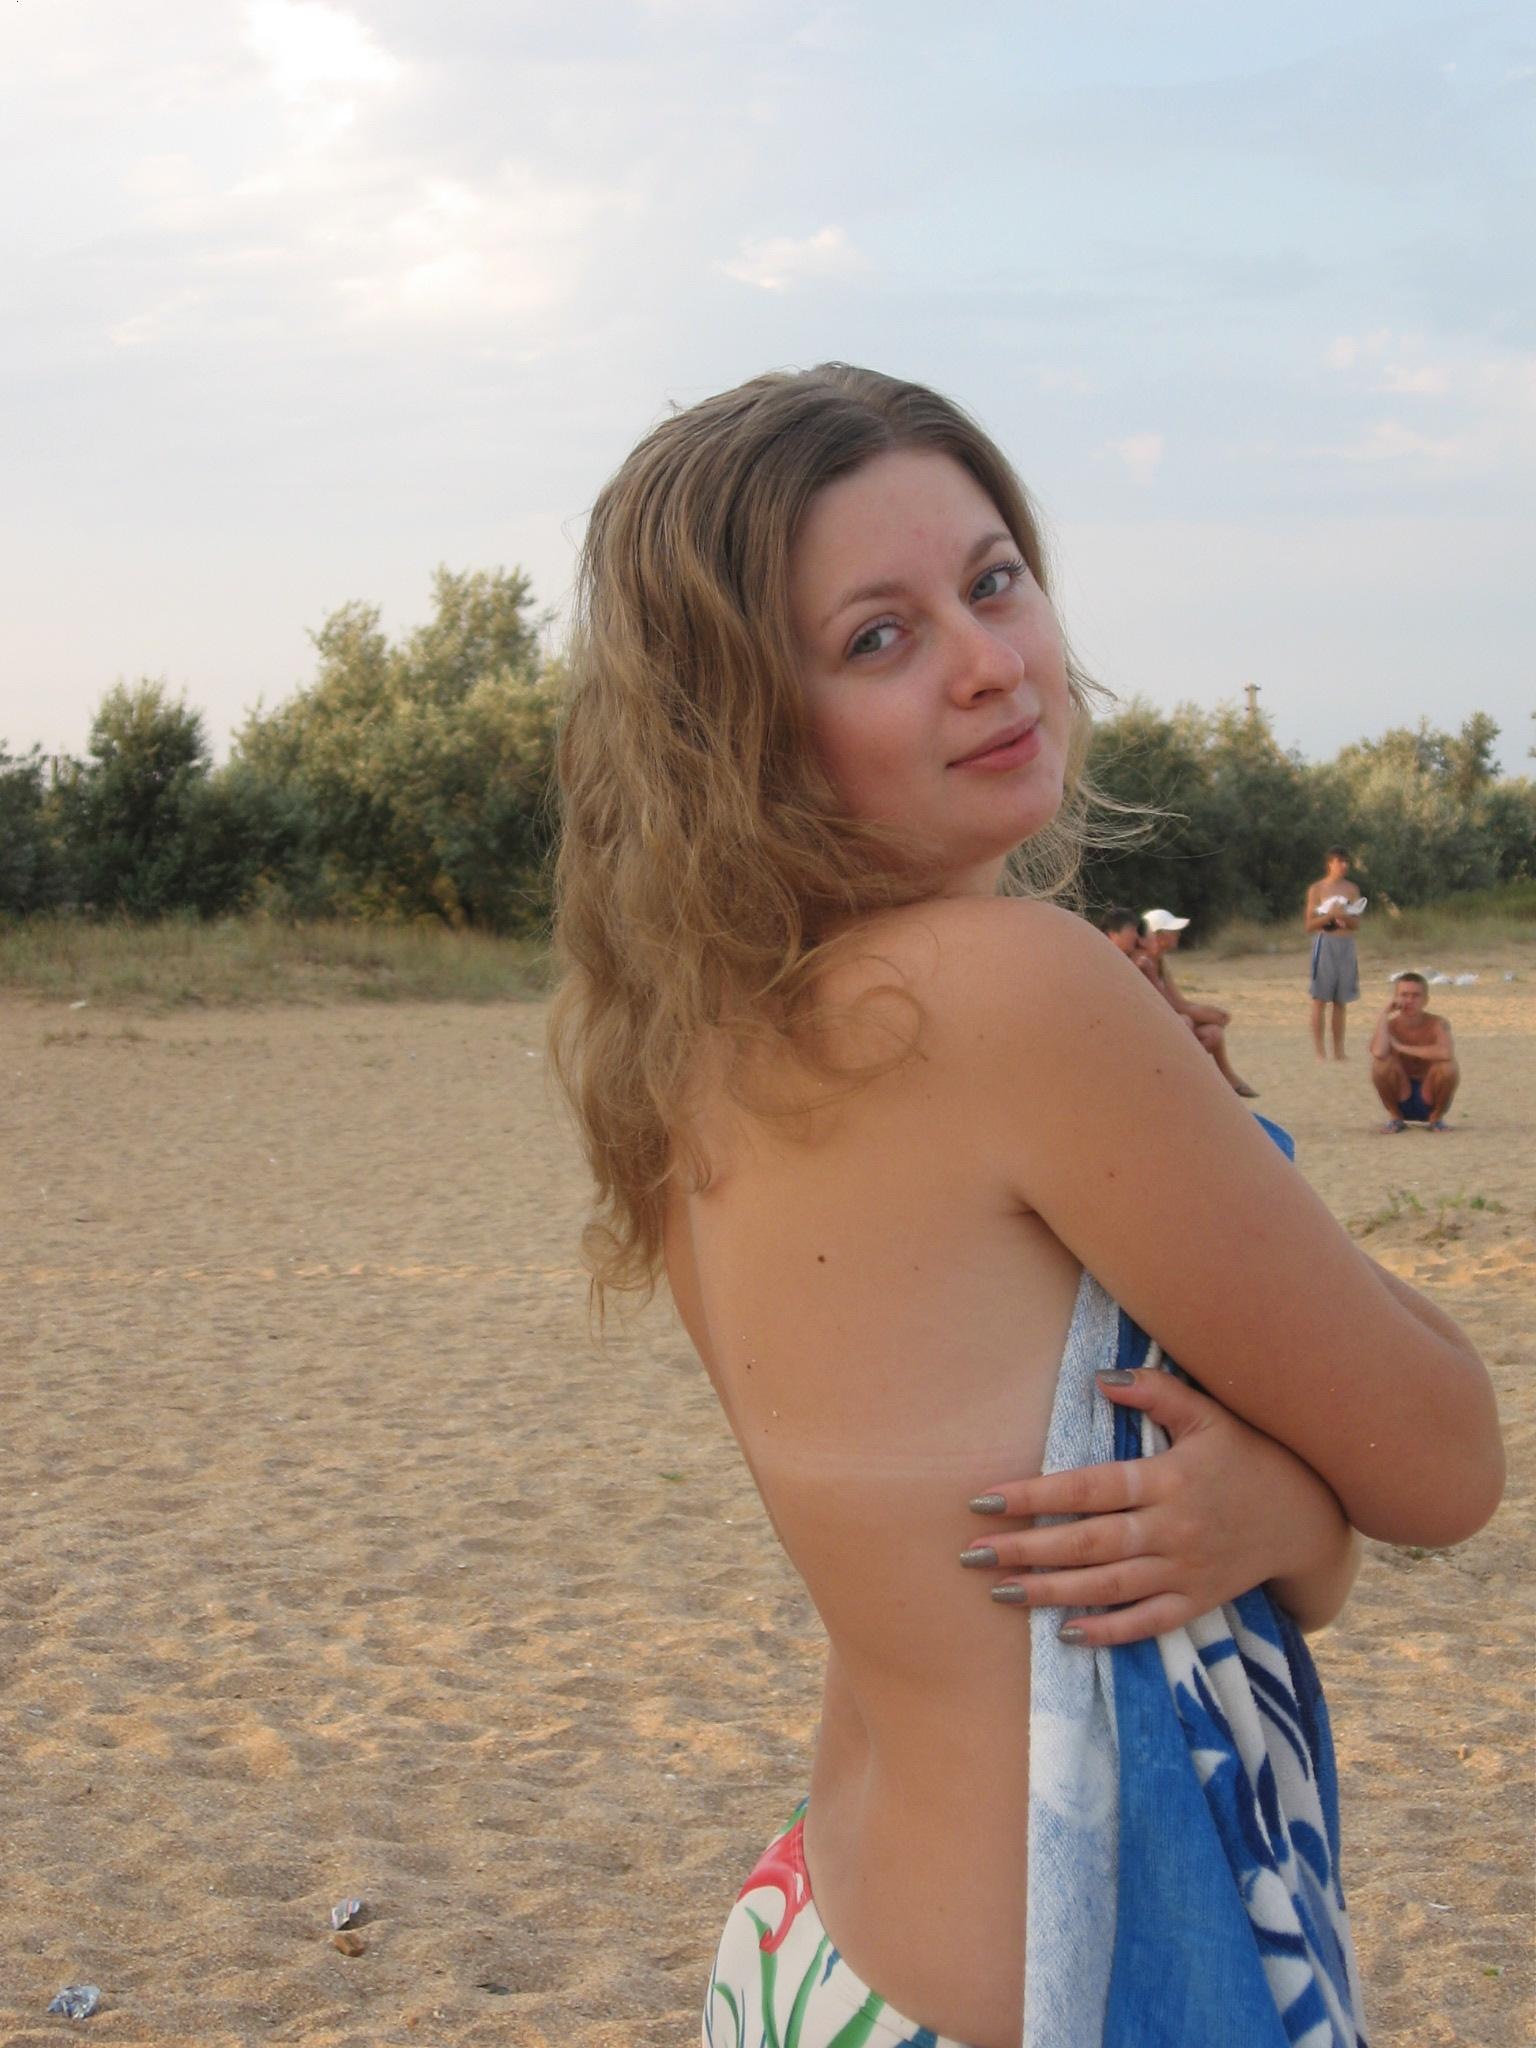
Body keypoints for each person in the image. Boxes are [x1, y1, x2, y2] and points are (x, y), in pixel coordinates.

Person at [550, 365, 1502, 2048]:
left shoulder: (701, 1046)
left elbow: (946, 1544)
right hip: (1047, 1981)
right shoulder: (1009, 990)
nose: (989, 660)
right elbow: (1445, 1456)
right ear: (741, 729)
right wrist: (1309, 1512)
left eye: (993, 582)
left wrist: (1288, 1523)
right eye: (877, 637)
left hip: (819, 1943)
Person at [1135, 908, 1258, 1097]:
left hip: (1168, 1019)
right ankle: (1187, 1076)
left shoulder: (1160, 963)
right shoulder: (1142, 962)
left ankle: (1222, 1076)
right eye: (1173, 931)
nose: (1178, 934)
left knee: (1213, 1033)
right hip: (1153, 1026)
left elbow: (1178, 1001)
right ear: (1158, 936)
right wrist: (1211, 1015)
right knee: (1186, 1021)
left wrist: (1212, 1015)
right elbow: (1170, 1006)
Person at [1371, 971, 1460, 1132]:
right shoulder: (1389, 1026)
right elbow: (1378, 1052)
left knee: (1449, 1067)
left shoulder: (1437, 1023)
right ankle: (1395, 1117)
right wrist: (1384, 1014)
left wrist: (1402, 1048)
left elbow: (1446, 1053)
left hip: (1429, 1095)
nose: (1409, 1001)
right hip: (1400, 1094)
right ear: (1395, 998)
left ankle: (1436, 1119)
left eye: (1416, 996)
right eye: (1404, 995)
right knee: (1380, 1065)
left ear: (1426, 1000)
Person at [1306, 847, 1363, 1060]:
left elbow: (1356, 924)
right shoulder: (1317, 889)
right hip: (1325, 944)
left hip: (1346, 944)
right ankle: (1320, 1051)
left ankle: (1339, 1051)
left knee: (1341, 1000)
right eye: (1340, 861)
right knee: (1320, 999)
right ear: (1330, 864)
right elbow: (1309, 924)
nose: (1344, 866)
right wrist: (1330, 915)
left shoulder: (1352, 889)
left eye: (1346, 862)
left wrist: (1344, 916)